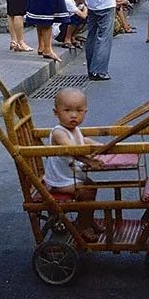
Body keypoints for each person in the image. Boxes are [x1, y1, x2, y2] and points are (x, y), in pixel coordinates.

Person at [44, 88, 104, 242]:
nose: (73, 115)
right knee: (86, 192)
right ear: (56, 112)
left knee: (92, 187)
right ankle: (83, 226)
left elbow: (84, 141)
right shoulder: (59, 133)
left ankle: (88, 220)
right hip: (60, 181)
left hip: (71, 175)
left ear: (85, 111)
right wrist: (90, 161)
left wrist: (101, 146)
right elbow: (72, 150)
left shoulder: (74, 129)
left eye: (79, 110)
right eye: (67, 110)